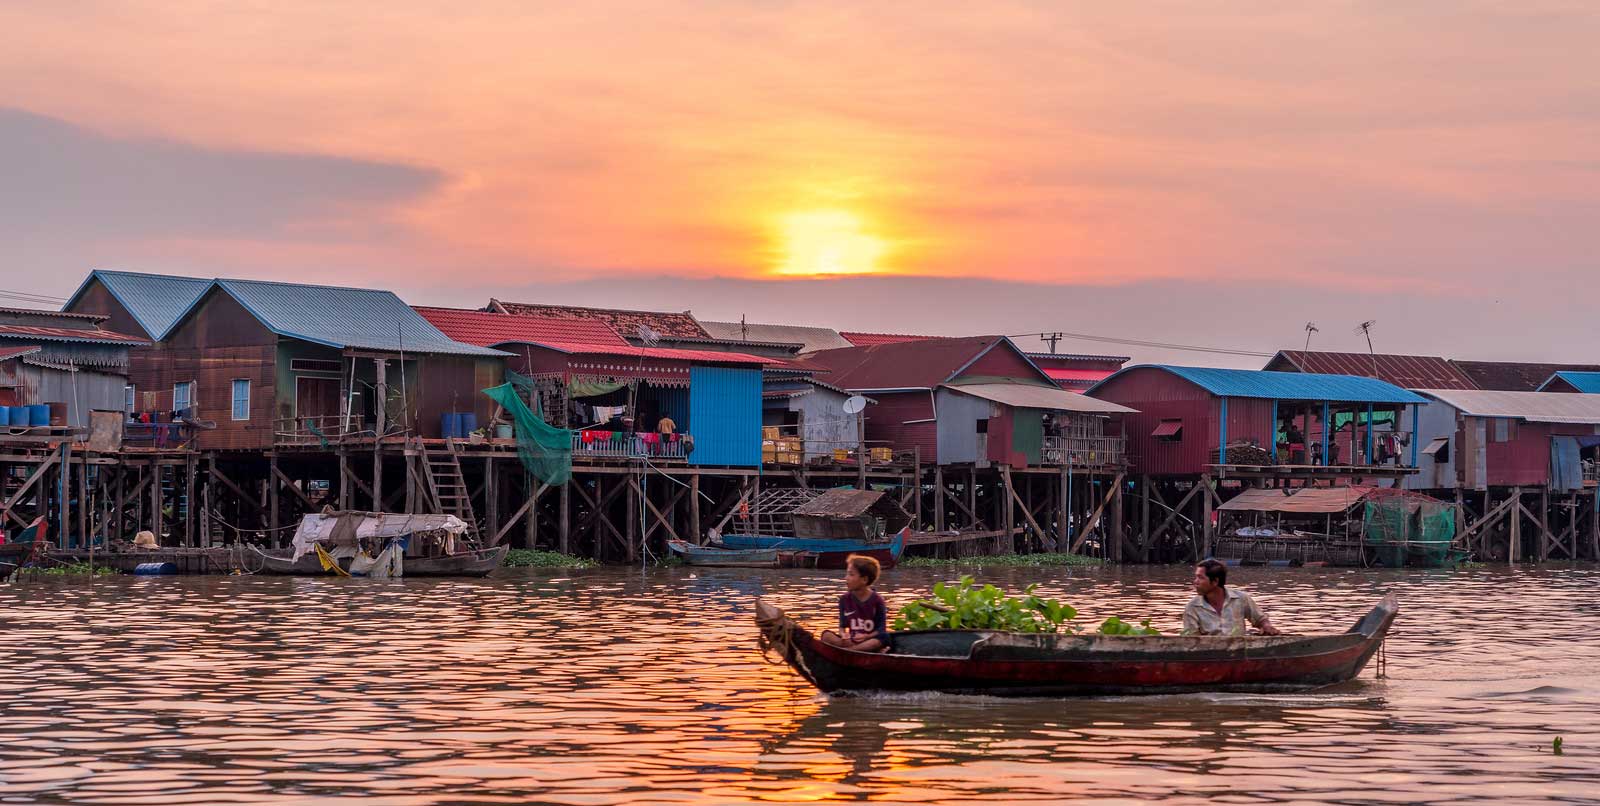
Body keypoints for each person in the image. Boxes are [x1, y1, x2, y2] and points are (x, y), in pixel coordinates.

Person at [1182, 559, 1280, 636]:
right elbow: (1190, 640)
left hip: (1239, 652)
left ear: (1215, 581)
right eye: (1196, 577)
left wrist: (1266, 626)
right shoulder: (1192, 608)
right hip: (1208, 655)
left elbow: (1260, 619)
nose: (1195, 582)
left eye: (1201, 578)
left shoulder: (1240, 599)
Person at [821, 555, 890, 652]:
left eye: (851, 574)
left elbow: (881, 629)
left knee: (883, 638)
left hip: (868, 640)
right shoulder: (844, 599)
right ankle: (852, 650)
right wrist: (843, 634)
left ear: (864, 580)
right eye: (847, 574)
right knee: (826, 635)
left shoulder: (877, 600)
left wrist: (866, 636)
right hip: (852, 640)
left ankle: (849, 651)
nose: (846, 578)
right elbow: (842, 626)